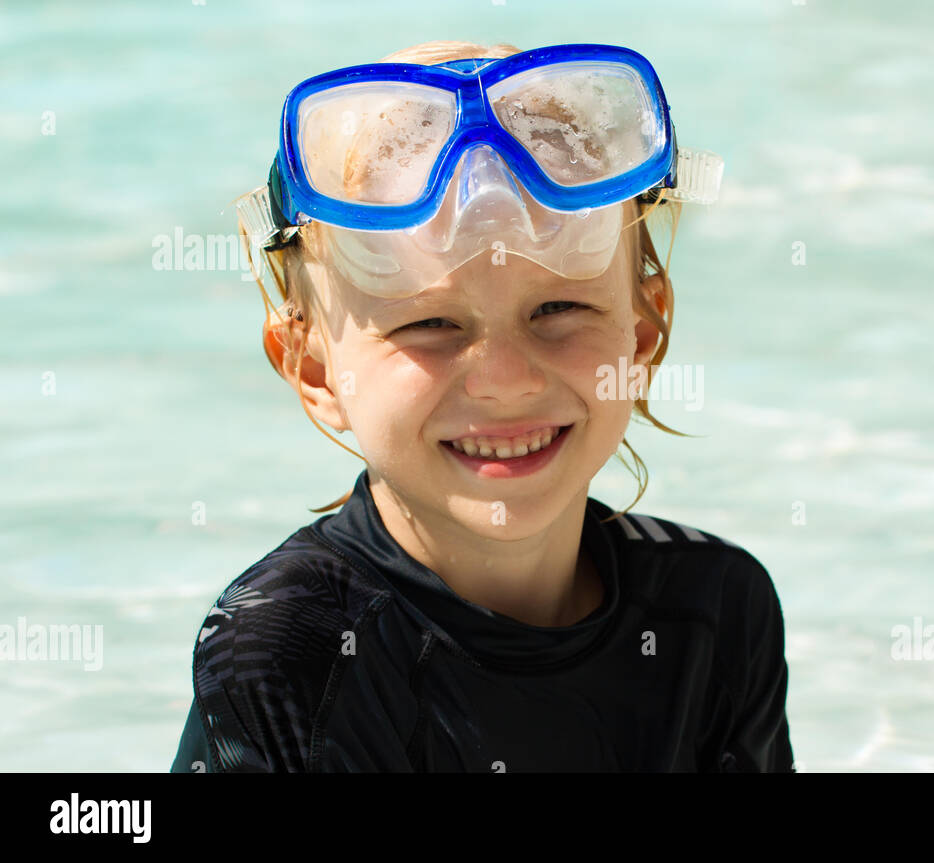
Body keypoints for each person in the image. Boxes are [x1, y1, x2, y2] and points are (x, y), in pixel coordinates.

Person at [169, 39, 794, 772]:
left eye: (558, 308)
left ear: (643, 335)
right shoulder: (291, 651)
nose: (503, 379)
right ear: (313, 368)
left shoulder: (715, 611)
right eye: (430, 325)